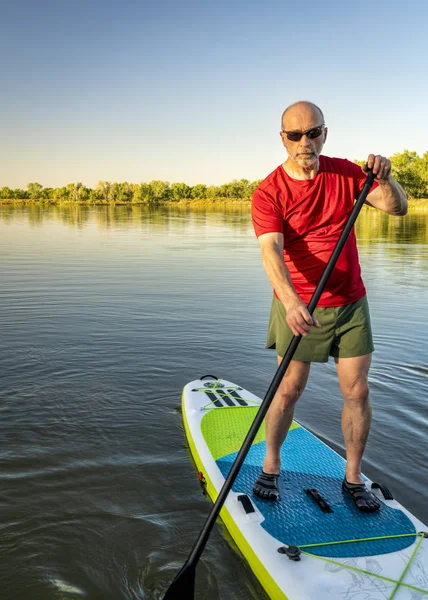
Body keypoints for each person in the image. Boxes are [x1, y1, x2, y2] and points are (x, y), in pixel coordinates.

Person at [251, 101, 407, 512]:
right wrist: (289, 300)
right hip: (298, 302)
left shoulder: (349, 172)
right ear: (282, 139)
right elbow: (271, 252)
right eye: (296, 135)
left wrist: (386, 179)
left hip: (350, 300)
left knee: (358, 390)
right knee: (289, 389)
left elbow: (397, 207)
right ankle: (271, 465)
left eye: (314, 132)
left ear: (325, 132)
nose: (306, 142)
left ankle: (354, 478)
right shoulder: (269, 191)